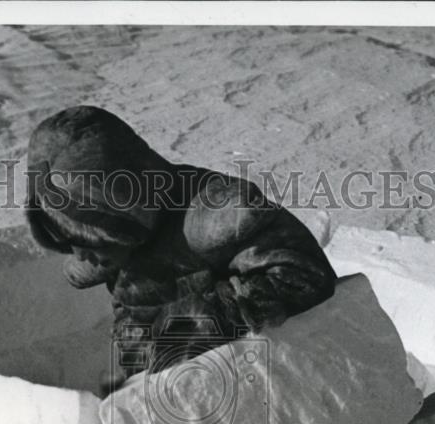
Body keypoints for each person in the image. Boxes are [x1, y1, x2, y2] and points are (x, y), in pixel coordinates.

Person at [25, 106, 336, 391]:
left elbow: (303, 272)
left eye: (87, 238)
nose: (80, 255)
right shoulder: (115, 252)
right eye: (67, 240)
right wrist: (139, 377)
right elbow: (135, 318)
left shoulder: (219, 215)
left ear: (124, 212)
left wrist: (210, 317)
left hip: (293, 384)